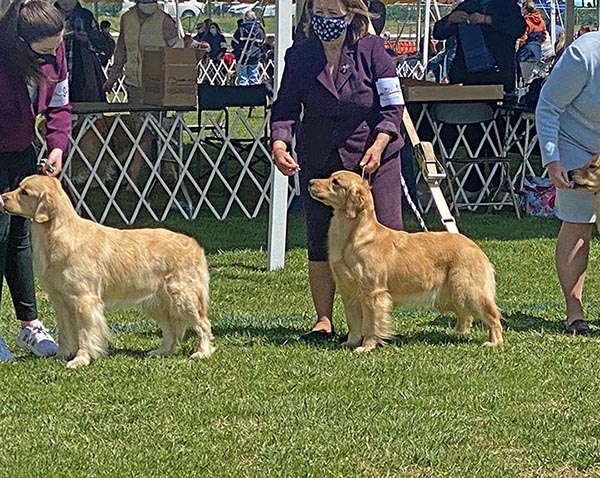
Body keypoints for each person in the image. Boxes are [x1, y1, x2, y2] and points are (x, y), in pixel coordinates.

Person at [270, 0, 404, 340]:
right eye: (319, 13)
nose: (325, 20)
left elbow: (393, 106)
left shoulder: (373, 50)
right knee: (321, 240)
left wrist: (379, 144)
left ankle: (374, 322)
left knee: (383, 241)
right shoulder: (300, 56)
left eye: (333, 14)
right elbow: (285, 106)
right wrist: (280, 145)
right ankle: (324, 320)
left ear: (351, 14)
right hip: (320, 160)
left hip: (372, 158)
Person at [0, 0, 69, 360]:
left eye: (56, 46)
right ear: (21, 43)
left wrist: (57, 144)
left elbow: (60, 103)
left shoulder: (55, 51)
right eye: (44, 51)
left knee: (19, 239)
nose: (52, 56)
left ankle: (30, 324)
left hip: (23, 153)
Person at [535, 32, 600, 335]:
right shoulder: (583, 55)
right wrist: (552, 160)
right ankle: (575, 312)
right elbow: (548, 105)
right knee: (577, 224)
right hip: (575, 142)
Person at [432, 0, 526, 93]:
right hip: (466, 75)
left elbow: (518, 28)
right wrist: (449, 20)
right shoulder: (467, 6)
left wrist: (487, 19)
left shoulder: (507, 5)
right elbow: (438, 33)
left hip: (498, 74)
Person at [104, 0, 180, 103]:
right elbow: (121, 51)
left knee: (153, 113)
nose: (149, 2)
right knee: (135, 112)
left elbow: (176, 50)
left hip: (157, 83)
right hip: (132, 83)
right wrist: (112, 78)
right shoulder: (126, 18)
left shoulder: (165, 20)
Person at [55, 0, 112, 102]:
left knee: (86, 104)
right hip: (54, 69)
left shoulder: (86, 16)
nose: (66, 2)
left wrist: (88, 38)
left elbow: (104, 46)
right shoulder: (48, 16)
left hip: (83, 71)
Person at [232, 10, 266, 86]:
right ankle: (253, 92)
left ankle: (242, 93)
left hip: (242, 57)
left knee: (242, 79)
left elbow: (234, 43)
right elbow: (262, 43)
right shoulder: (260, 30)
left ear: (245, 18)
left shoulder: (241, 29)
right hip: (255, 57)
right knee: (253, 79)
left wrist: (238, 53)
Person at [517, 2, 547, 82]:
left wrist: (519, 47)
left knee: (525, 78)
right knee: (534, 77)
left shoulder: (526, 21)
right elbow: (544, 36)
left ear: (525, 9)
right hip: (537, 51)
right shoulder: (541, 21)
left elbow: (523, 37)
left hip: (526, 52)